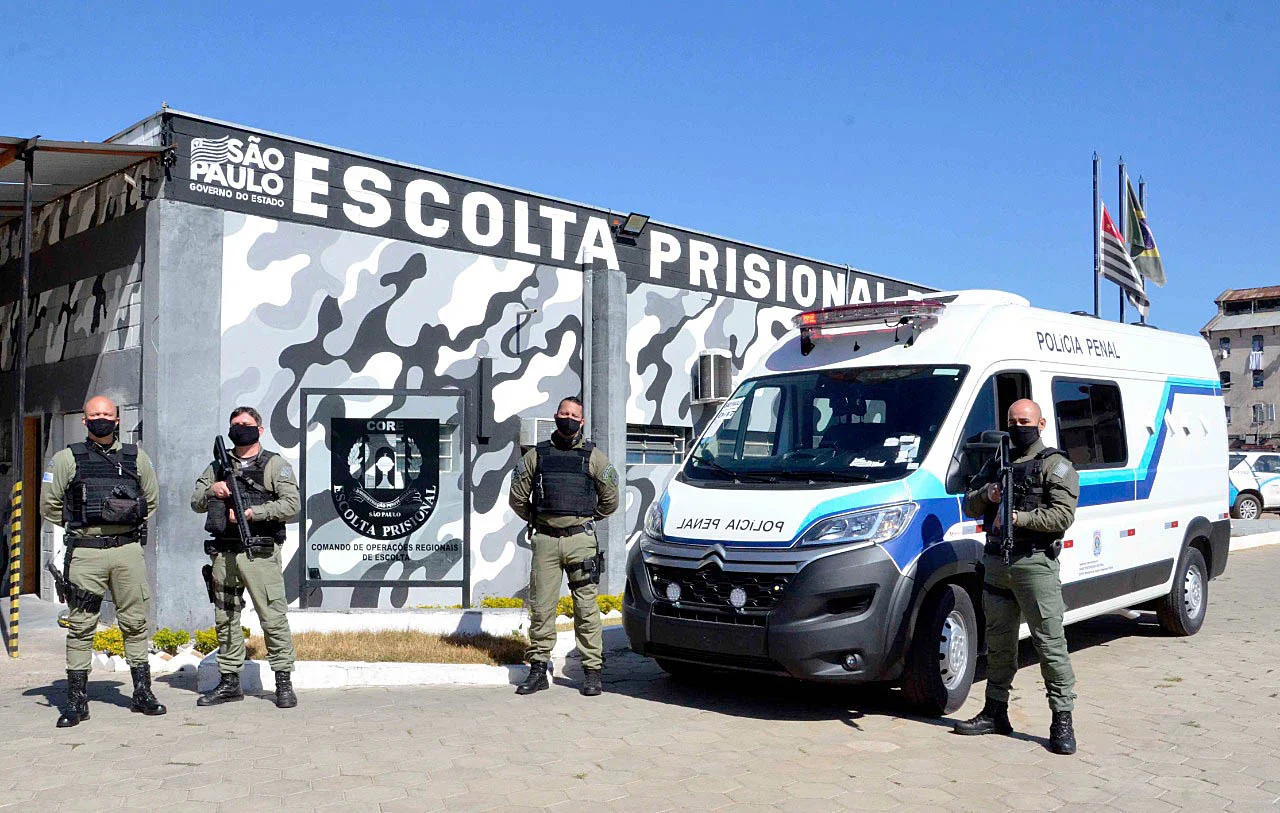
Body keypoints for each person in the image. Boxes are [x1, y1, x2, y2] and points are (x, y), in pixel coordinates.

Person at [953, 398, 1079, 755]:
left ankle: (1062, 719)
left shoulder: (1055, 465)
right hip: (997, 562)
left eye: (1024, 421)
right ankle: (995, 711)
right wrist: (987, 493)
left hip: (1034, 564)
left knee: (1050, 644)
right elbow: (969, 503)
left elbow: (1061, 517)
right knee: (999, 642)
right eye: (1012, 421)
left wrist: (1017, 519)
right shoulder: (998, 462)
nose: (1017, 427)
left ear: (1039, 425)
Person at [40, 395, 162, 727]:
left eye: (107, 414)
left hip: (126, 551)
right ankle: (76, 700)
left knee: (135, 621)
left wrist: (125, 519)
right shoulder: (67, 459)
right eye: (95, 414)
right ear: (85, 420)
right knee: (81, 626)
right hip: (86, 551)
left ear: (117, 419)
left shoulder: (137, 458)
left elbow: (150, 499)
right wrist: (83, 520)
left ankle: (141, 693)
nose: (101, 419)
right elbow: (49, 505)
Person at [190, 406, 300, 709]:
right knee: (225, 619)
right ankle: (229, 683)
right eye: (236, 424)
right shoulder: (217, 466)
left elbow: (292, 505)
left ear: (259, 430)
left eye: (247, 424)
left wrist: (255, 513)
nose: (241, 428)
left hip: (259, 553)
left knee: (273, 618)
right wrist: (214, 489)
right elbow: (195, 501)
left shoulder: (274, 465)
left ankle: (283, 682)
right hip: (224, 554)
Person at [508, 396, 619, 696]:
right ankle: (538, 670)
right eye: (563, 413)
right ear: (555, 416)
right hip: (545, 541)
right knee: (541, 608)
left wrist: (588, 517)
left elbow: (611, 497)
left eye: (574, 415)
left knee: (586, 608)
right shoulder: (537, 455)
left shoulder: (593, 456)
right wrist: (537, 518)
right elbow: (517, 495)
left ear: (581, 421)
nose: (568, 418)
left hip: (581, 541)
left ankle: (592, 672)